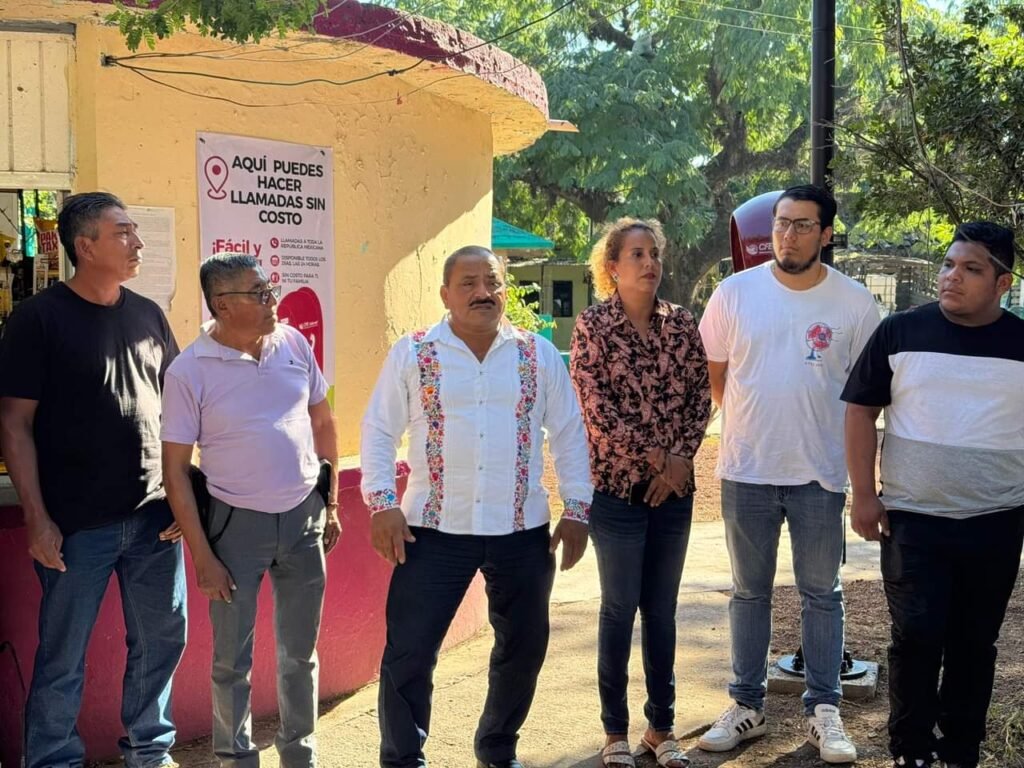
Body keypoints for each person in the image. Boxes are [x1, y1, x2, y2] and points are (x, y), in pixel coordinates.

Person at [360, 245, 593, 768]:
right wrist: (381, 502)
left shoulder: (537, 354)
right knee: (410, 651)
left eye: (492, 282)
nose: (482, 292)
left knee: (524, 648)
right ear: (446, 294)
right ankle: (402, 759)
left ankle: (497, 747)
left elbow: (569, 433)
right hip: (432, 529)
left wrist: (578, 508)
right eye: (468, 283)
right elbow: (378, 429)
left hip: (520, 528)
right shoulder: (414, 352)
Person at [696, 184, 881, 764]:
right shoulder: (733, 293)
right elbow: (716, 377)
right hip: (747, 469)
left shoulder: (855, 304)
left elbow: (864, 398)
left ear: (825, 234)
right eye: (781, 223)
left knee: (821, 594)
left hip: (819, 474)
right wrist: (754, 422)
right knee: (748, 592)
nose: (788, 235)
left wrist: (864, 483)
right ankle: (746, 706)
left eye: (802, 225)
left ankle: (823, 709)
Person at [0, 192, 186, 768]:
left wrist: (186, 497)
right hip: (76, 525)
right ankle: (53, 759)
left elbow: (181, 411)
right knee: (63, 656)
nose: (138, 242)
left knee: (161, 642)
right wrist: (38, 519)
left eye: (135, 230)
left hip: (156, 518)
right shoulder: (38, 319)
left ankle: (149, 753)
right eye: (123, 232)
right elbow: (13, 423)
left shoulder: (148, 314)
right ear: (85, 246)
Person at [843, 222, 1024, 768]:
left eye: (971, 269)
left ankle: (960, 751)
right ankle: (912, 750)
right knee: (917, 637)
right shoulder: (900, 331)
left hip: (997, 520)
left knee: (974, 643)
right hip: (913, 519)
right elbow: (859, 411)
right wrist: (863, 495)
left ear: (1002, 283)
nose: (951, 277)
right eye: (948, 264)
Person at [160, 253, 341, 767]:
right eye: (258, 294)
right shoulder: (189, 370)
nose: (272, 301)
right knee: (231, 660)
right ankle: (235, 758)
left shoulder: (294, 344)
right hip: (234, 528)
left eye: (270, 289)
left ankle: (299, 754)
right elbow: (175, 470)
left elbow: (323, 422)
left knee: (299, 654)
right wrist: (203, 557)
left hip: (304, 519)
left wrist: (331, 504)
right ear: (222, 305)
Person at [570, 218, 711, 768]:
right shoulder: (594, 327)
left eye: (654, 253)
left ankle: (661, 727)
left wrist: (678, 464)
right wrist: (658, 459)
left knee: (662, 610)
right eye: (636, 254)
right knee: (618, 608)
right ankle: (615, 733)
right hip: (617, 493)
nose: (650, 263)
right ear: (612, 267)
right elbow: (596, 411)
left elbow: (699, 398)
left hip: (675, 494)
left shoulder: (681, 323)